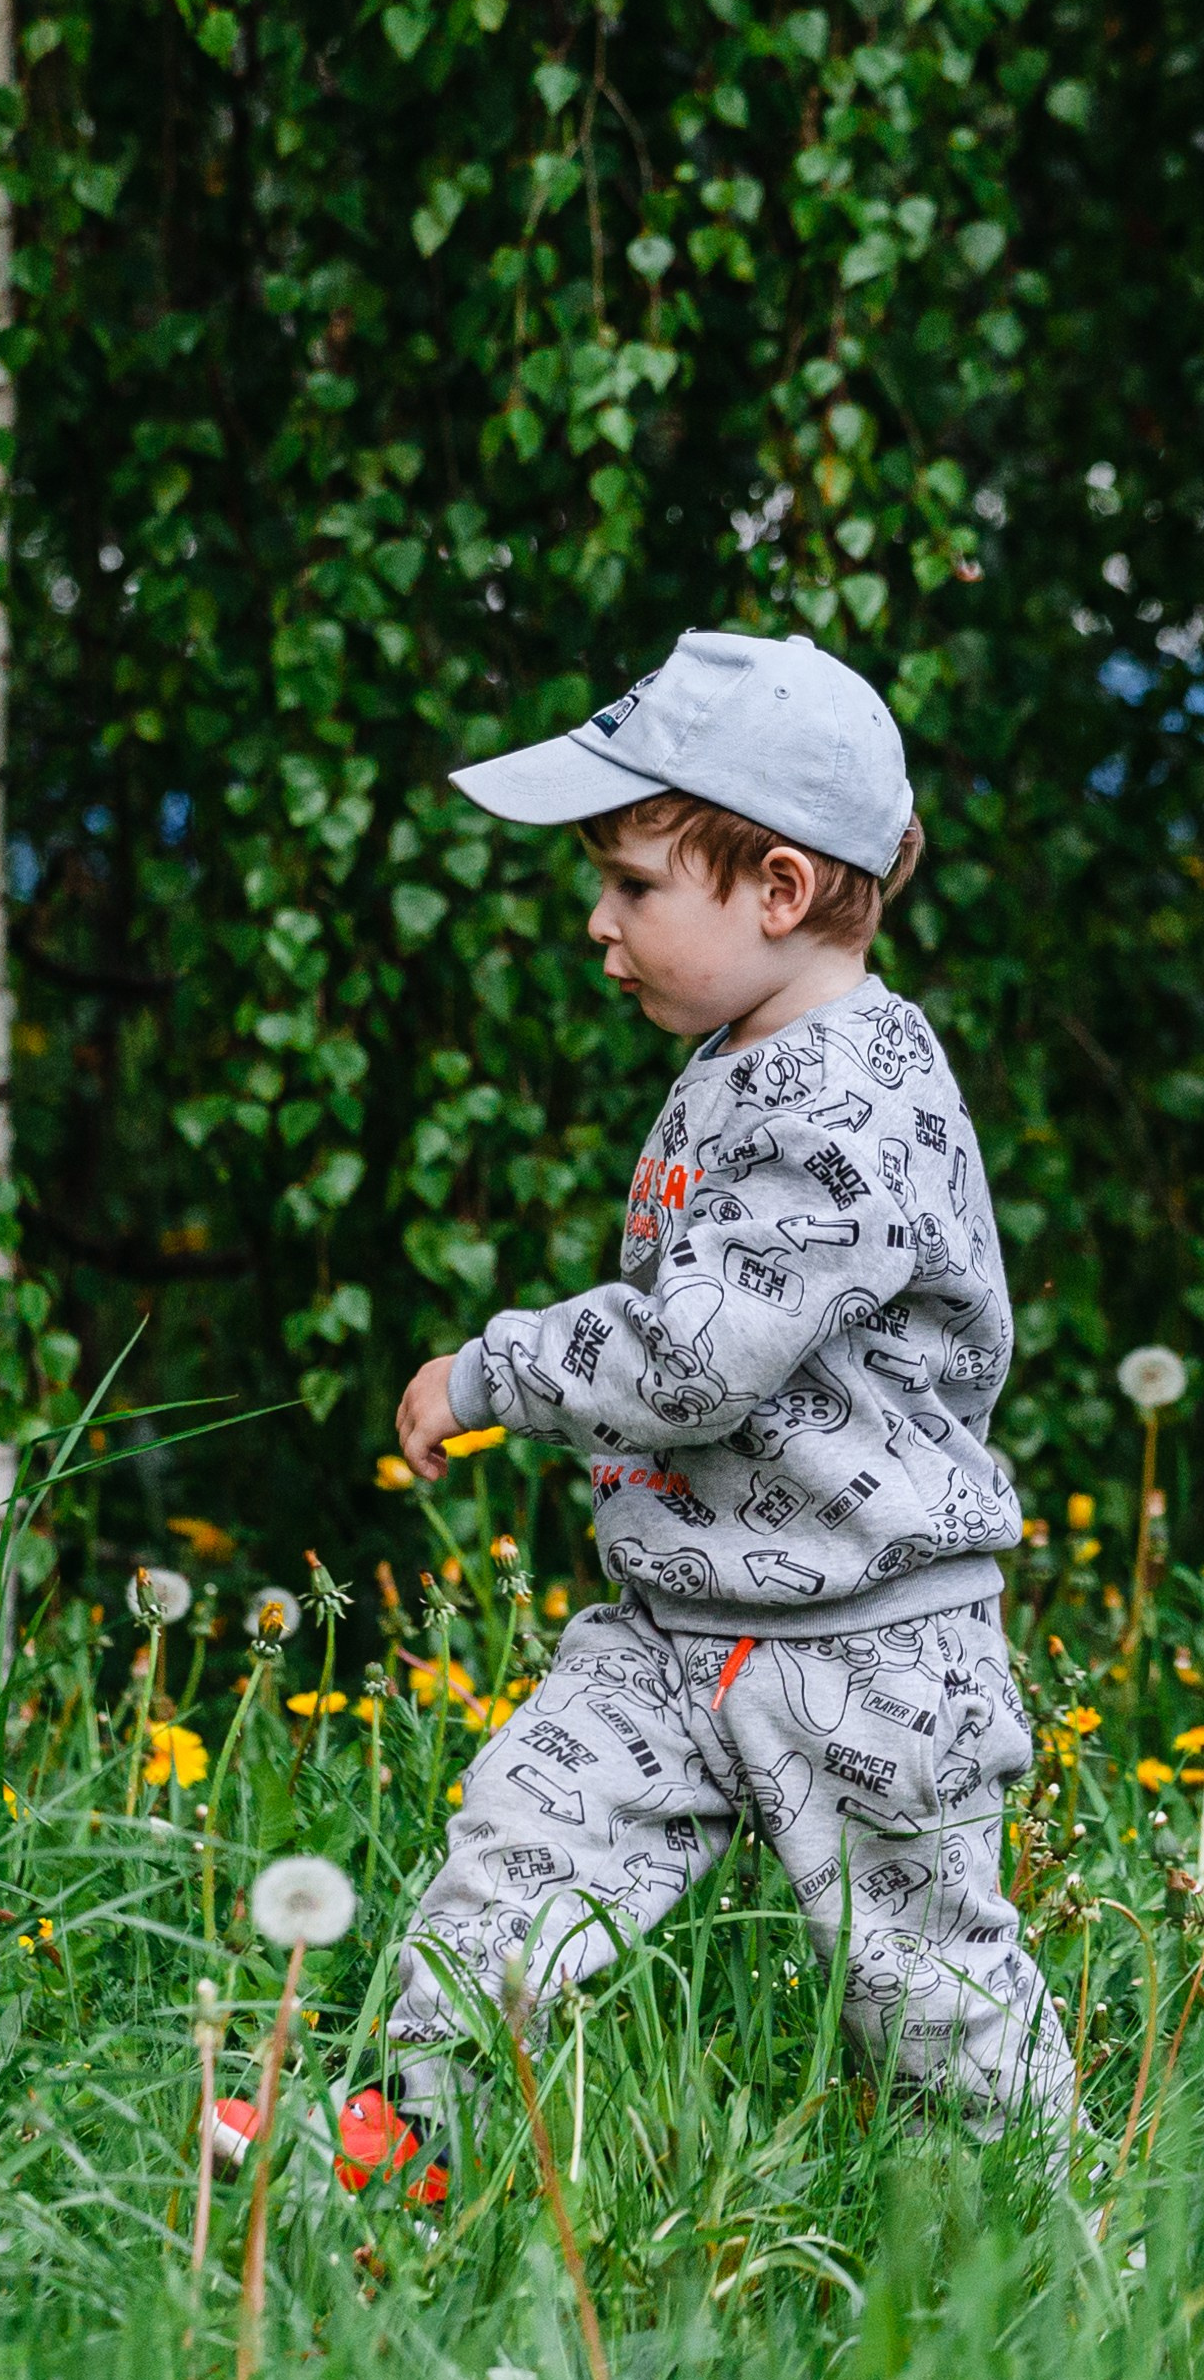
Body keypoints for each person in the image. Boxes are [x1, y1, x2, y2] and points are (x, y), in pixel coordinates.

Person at [383, 627, 1074, 2152]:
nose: (598, 922)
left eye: (633, 885)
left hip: (870, 1653)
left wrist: (497, 1368)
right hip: (676, 1631)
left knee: (934, 2003)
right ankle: (403, 2163)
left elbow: (697, 1357)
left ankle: (1069, 2266)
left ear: (779, 886)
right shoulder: (753, 1044)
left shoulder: (844, 1101)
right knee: (511, 1858)